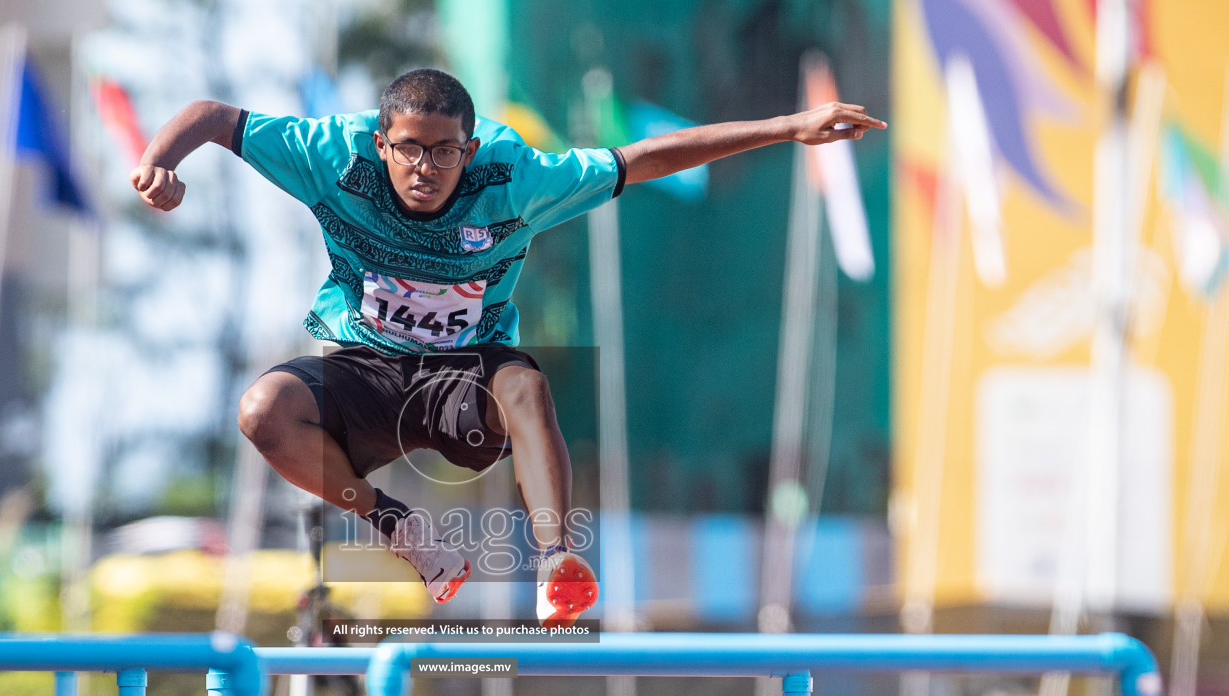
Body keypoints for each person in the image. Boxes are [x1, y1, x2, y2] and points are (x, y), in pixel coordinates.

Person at [131, 69, 884, 626]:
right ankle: (401, 529)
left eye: (446, 153)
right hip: (363, 366)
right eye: (410, 152)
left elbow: (644, 158)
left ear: (470, 144)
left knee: (525, 385)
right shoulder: (328, 153)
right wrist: (161, 161)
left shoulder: (516, 176)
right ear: (379, 142)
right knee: (263, 408)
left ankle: (556, 560)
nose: (428, 171)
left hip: (464, 380)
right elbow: (209, 115)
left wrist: (786, 126)